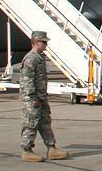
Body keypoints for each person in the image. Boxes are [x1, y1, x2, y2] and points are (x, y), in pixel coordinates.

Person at [20, 30, 68, 162]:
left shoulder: (40, 58)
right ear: (36, 42)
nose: (46, 45)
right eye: (43, 42)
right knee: (31, 123)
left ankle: (52, 149)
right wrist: (33, 97)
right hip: (33, 98)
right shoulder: (32, 58)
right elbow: (27, 80)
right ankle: (27, 150)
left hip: (41, 97)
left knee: (45, 122)